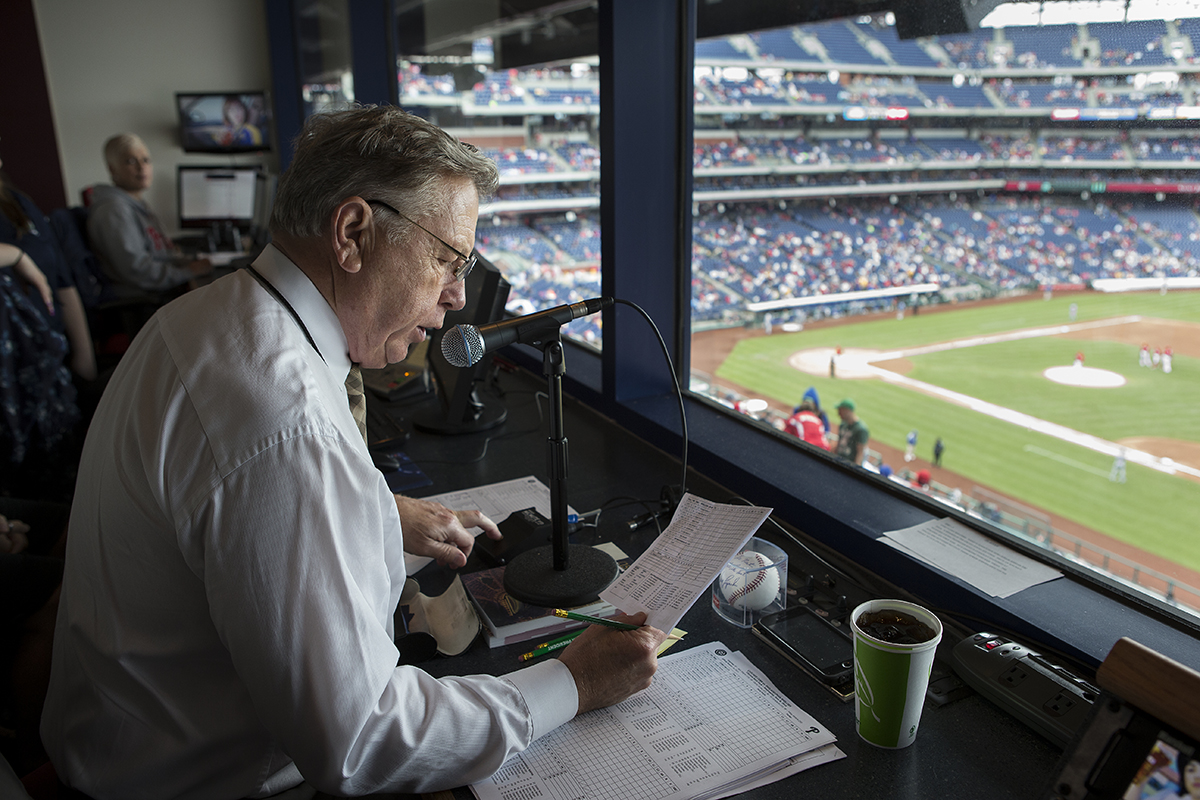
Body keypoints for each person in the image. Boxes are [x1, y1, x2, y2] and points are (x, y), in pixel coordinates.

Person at [42, 106, 667, 799]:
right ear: (352, 233)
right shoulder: (285, 425)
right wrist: (573, 683)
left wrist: (372, 512)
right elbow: (363, 742)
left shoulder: (203, 319)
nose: (457, 299)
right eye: (446, 260)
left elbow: (222, 517)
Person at [85, 133, 213, 293]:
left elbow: (159, 254)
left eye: (146, 160)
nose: (141, 167)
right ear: (112, 168)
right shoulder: (114, 210)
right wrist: (188, 271)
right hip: (143, 300)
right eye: (131, 161)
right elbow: (139, 271)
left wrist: (187, 262)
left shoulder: (136, 204)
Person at [833, 398, 869, 466]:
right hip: (838, 462)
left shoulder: (861, 430)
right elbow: (838, 445)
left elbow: (860, 453)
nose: (838, 414)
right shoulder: (842, 425)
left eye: (840, 410)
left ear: (846, 411)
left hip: (849, 465)